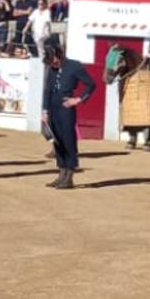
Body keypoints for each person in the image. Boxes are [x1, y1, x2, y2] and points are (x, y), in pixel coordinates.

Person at [41, 40, 96, 190]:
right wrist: (44, 110)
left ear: (60, 55)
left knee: (68, 142)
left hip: (66, 110)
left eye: (54, 60)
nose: (52, 64)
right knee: (56, 142)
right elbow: (47, 90)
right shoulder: (51, 68)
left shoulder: (74, 66)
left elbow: (91, 84)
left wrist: (78, 99)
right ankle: (61, 174)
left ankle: (69, 177)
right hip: (53, 109)